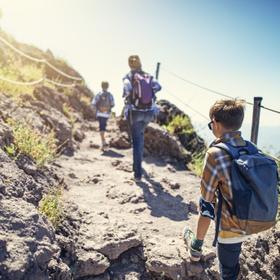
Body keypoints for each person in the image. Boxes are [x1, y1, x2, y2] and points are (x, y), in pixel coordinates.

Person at [186, 99, 278, 280]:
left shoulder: (215, 154)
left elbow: (207, 199)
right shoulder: (251, 148)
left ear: (215, 122)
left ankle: (195, 248)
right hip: (260, 217)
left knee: (228, 271)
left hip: (232, 228)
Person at [123, 55, 161, 182]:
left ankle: (137, 174)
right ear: (140, 63)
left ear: (129, 64)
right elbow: (158, 87)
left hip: (136, 112)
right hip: (149, 113)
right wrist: (148, 93)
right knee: (140, 136)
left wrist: (131, 96)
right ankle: (137, 166)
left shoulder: (128, 76)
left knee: (136, 142)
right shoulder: (148, 76)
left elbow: (127, 89)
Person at [92, 81, 114, 150]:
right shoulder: (110, 95)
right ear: (108, 86)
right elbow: (113, 104)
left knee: (101, 127)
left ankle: (103, 142)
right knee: (103, 126)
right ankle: (103, 142)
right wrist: (107, 109)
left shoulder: (98, 94)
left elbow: (94, 103)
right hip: (106, 114)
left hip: (99, 113)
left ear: (101, 86)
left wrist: (98, 109)